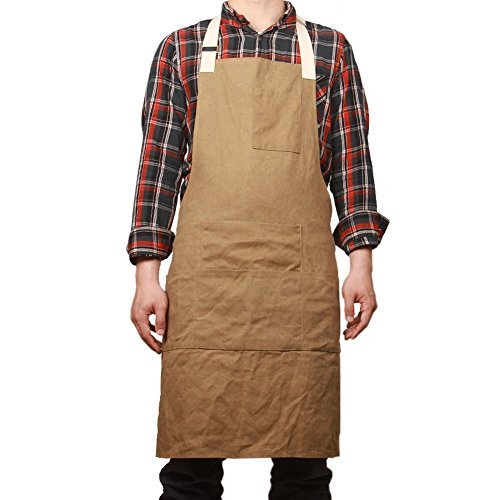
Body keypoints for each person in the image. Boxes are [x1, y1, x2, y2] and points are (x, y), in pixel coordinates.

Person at [126, 1, 390, 498]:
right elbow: (158, 167)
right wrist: (146, 277)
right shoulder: (181, 48)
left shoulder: (330, 49)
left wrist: (362, 264)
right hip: (208, 285)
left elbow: (352, 162)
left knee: (303, 470)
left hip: (297, 283)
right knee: (190, 471)